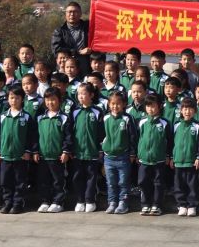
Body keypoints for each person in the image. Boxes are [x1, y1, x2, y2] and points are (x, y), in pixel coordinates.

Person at [0, 87, 37, 214]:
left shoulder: (27, 117)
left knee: (20, 181)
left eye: (17, 98)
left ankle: (18, 203)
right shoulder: (3, 116)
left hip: (21, 156)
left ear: (22, 99)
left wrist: (28, 151)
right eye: (11, 97)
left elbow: (32, 136)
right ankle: (7, 202)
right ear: (8, 99)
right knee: (5, 181)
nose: (14, 100)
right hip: (5, 155)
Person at [34, 87, 73, 213]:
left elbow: (68, 137)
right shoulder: (40, 118)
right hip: (43, 156)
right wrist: (35, 151)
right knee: (43, 181)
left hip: (58, 157)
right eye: (47, 100)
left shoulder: (64, 118)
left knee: (58, 181)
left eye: (53, 100)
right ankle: (45, 201)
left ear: (59, 100)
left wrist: (65, 151)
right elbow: (35, 136)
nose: (50, 102)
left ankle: (58, 202)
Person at [70, 83, 105, 213]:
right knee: (77, 177)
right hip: (77, 152)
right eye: (79, 94)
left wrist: (100, 149)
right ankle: (80, 200)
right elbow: (70, 131)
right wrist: (70, 149)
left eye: (83, 93)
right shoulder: (75, 112)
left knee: (92, 177)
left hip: (92, 152)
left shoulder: (97, 111)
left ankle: (90, 200)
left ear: (91, 95)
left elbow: (101, 132)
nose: (80, 96)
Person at [102, 92, 138, 214]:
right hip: (108, 157)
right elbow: (101, 135)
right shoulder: (105, 118)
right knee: (111, 182)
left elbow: (133, 137)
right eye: (112, 103)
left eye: (118, 104)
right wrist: (102, 149)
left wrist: (132, 153)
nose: (115, 106)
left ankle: (123, 203)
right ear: (108, 104)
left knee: (123, 182)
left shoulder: (127, 118)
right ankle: (112, 202)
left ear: (124, 104)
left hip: (123, 156)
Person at [172, 98, 199, 217]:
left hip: (191, 162)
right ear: (181, 110)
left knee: (192, 185)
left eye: (190, 109)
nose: (187, 112)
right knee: (179, 185)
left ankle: (192, 205)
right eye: (185, 109)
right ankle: (182, 205)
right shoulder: (176, 125)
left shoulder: (197, 125)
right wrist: (171, 157)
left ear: (195, 111)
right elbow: (171, 143)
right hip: (178, 161)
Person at [51, 1, 93, 76]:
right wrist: (78, 52)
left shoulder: (88, 27)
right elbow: (56, 49)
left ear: (80, 13)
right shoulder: (59, 31)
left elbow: (98, 19)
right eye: (69, 12)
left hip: (86, 67)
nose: (72, 14)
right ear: (65, 14)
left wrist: (96, 2)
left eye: (75, 12)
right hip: (66, 69)